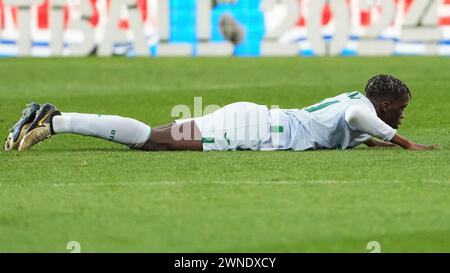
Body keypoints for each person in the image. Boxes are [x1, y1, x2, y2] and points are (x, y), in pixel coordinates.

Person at [4, 74, 438, 152]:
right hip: (258, 129)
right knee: (151, 140)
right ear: (384, 104)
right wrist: (405, 143)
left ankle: (55, 119)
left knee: (152, 137)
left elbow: (355, 127)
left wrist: (377, 142)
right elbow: (357, 122)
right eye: (397, 113)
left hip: (257, 119)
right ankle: (54, 121)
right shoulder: (362, 111)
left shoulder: (356, 100)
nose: (399, 118)